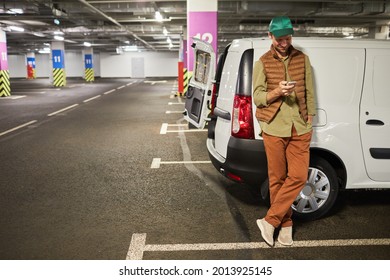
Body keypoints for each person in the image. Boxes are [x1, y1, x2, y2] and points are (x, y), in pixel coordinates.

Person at [252, 16, 316, 247]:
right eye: (279, 39)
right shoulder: (262, 62)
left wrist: (310, 116)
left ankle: (270, 221)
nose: (283, 43)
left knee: (298, 176)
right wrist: (277, 91)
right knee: (277, 178)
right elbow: (258, 98)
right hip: (273, 126)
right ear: (270, 37)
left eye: (287, 38)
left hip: (299, 126)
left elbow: (309, 89)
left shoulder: (302, 59)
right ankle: (286, 225)